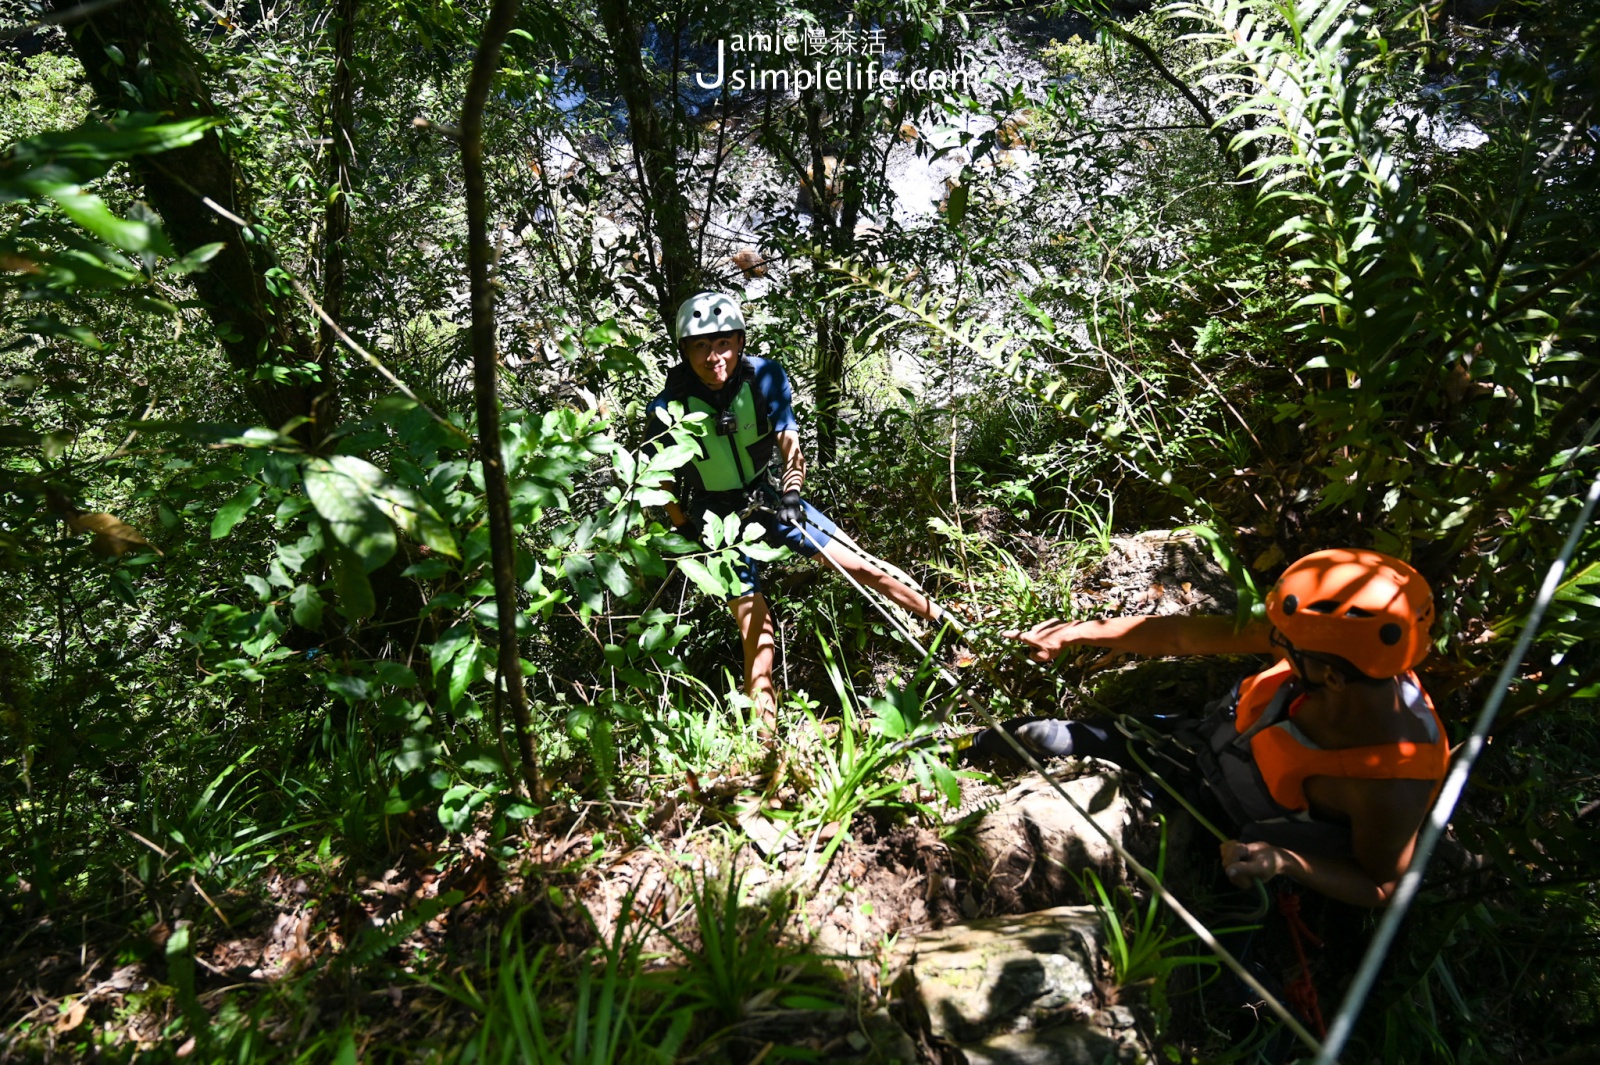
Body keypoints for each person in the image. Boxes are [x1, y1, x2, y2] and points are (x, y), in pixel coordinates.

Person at [992, 549, 1447, 908]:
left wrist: (1286, 863)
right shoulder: (1342, 658)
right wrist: (1074, 632)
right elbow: (1180, 636)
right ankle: (957, 746)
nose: (1275, 640)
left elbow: (1383, 888)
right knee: (1035, 735)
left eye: (1287, 641)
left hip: (1229, 836)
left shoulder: (1389, 786)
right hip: (1191, 748)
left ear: (1330, 675)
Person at [645, 292, 947, 726]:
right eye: (701, 346)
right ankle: (763, 736)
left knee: (860, 566)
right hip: (714, 518)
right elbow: (661, 480)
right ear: (684, 350)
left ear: (740, 341)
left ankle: (953, 629)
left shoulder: (763, 377)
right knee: (756, 625)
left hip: (765, 496)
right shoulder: (667, 407)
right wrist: (685, 528)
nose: (715, 356)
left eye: (724, 343)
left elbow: (790, 444)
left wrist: (790, 493)